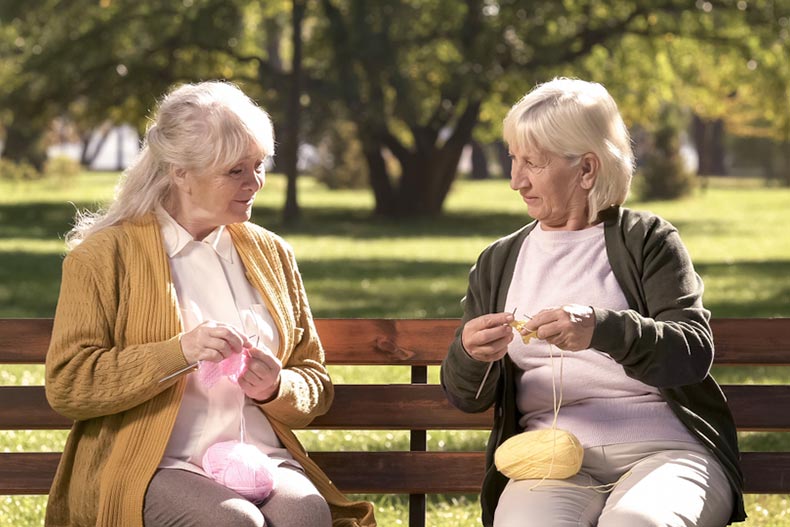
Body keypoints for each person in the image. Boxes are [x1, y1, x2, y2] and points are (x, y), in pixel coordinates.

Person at [44, 81, 375, 527]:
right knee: (235, 523)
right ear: (180, 171)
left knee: (307, 515)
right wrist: (179, 352)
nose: (254, 183)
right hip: (151, 464)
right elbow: (69, 383)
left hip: (259, 459)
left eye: (259, 166)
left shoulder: (272, 254)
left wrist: (276, 388)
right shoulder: (104, 256)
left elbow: (314, 379)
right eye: (235, 171)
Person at [440, 78, 745, 527]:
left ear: (586, 169)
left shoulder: (649, 241)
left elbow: (692, 352)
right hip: (549, 464)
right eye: (513, 159)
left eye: (533, 163)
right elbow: (465, 396)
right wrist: (469, 353)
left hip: (667, 454)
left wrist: (602, 329)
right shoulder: (499, 261)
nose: (515, 181)